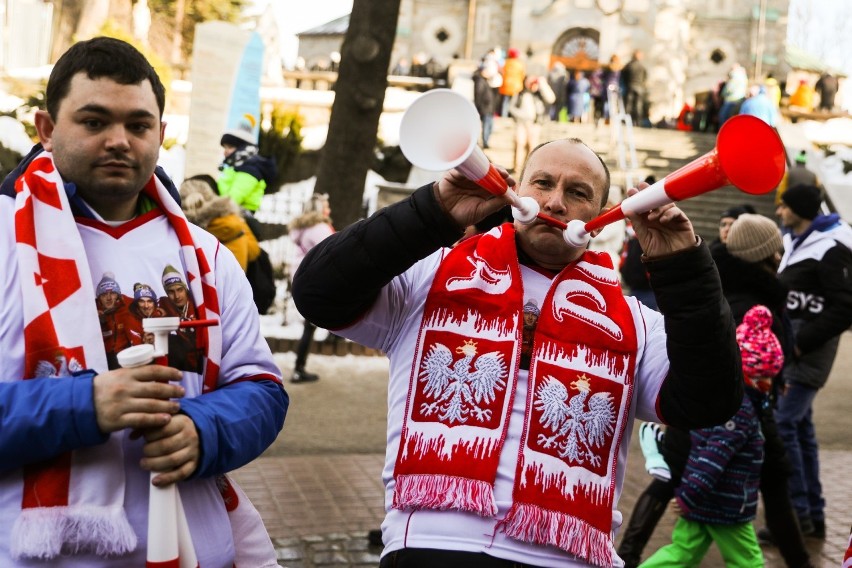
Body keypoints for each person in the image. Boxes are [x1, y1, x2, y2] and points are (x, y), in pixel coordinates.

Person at [292, 136, 744, 567]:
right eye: (543, 183)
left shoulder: (636, 323)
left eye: (578, 191)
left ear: (603, 215)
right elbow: (318, 292)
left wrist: (683, 266)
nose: (554, 202)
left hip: (568, 558)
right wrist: (433, 212)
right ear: (517, 192)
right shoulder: (431, 278)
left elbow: (709, 399)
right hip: (431, 545)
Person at [0, 37, 288, 566]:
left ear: (161, 132)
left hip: (194, 547)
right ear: (46, 129)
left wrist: (206, 430)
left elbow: (262, 391)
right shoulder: (3, 243)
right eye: (93, 121)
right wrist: (82, 406)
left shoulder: (208, 256)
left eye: (138, 125)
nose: (119, 141)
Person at [619, 214, 816, 568]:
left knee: (675, 487)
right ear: (766, 253)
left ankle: (629, 554)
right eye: (775, 249)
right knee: (762, 486)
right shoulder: (750, 299)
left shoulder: (732, 286)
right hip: (733, 408)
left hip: (725, 409)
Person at [639, 303, 770, 568]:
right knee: (748, 561)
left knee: (681, 553)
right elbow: (712, 458)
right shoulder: (740, 411)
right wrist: (689, 495)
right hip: (723, 504)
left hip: (703, 500)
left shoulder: (735, 401)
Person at [773, 184, 852, 540]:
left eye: (784, 206)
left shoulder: (832, 248)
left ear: (800, 209)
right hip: (794, 348)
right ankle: (812, 516)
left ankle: (797, 514)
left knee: (783, 425)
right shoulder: (797, 240)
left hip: (807, 353)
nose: (779, 212)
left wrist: (803, 343)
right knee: (800, 429)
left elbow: (845, 306)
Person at [289, 193, 335, 383]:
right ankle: (299, 368)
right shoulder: (320, 228)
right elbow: (331, 252)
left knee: (310, 325)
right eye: (326, 206)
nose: (329, 209)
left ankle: (299, 367)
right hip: (316, 279)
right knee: (310, 326)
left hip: (303, 278)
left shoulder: (304, 228)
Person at [179, 176, 261, 271]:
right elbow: (253, 251)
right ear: (212, 195)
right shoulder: (233, 221)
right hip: (232, 281)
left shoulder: (179, 230)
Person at [217, 117, 278, 237]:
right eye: (225, 147)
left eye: (230, 147)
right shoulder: (235, 166)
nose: (225, 151)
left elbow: (233, 198)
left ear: (242, 148)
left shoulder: (250, 169)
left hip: (240, 217)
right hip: (232, 214)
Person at [509, 75, 554, 173]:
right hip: (521, 123)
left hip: (535, 123)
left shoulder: (540, 94)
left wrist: (542, 84)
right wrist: (521, 115)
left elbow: (551, 99)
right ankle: (517, 168)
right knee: (519, 143)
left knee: (532, 146)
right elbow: (511, 107)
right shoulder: (520, 94)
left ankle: (528, 168)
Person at [472, 59, 498, 148]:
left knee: (489, 126)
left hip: (489, 108)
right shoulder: (480, 81)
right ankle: (485, 142)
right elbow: (478, 95)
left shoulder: (484, 80)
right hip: (485, 108)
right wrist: (480, 107)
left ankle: (486, 141)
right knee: (486, 126)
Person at [621, 50, 648, 126]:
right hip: (639, 87)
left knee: (628, 105)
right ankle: (638, 122)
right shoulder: (642, 66)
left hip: (630, 86)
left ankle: (625, 121)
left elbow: (623, 76)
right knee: (638, 105)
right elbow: (645, 77)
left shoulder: (629, 65)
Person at [498, 47, 525, 117]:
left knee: (505, 102)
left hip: (505, 86)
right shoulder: (519, 65)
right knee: (512, 103)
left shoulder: (505, 63)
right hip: (516, 87)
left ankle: (504, 115)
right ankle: (511, 115)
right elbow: (523, 75)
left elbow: (501, 72)